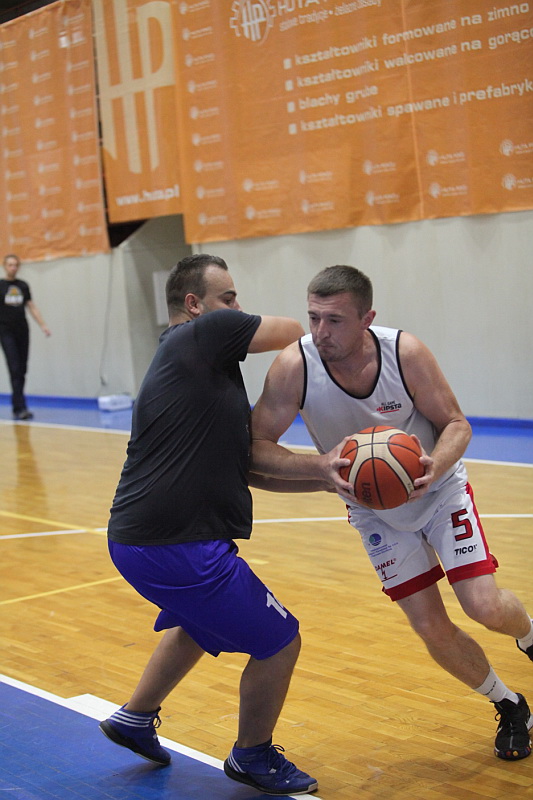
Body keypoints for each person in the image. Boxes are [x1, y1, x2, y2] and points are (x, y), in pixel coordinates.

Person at [250, 264, 533, 762]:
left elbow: (457, 424)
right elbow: (255, 448)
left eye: (334, 320)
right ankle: (510, 705)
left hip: (439, 493)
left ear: (367, 318)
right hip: (374, 513)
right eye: (313, 317)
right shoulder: (294, 366)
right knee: (430, 628)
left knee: (484, 607)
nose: (320, 331)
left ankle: (529, 637)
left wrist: (434, 464)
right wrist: (320, 467)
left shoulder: (405, 353)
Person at [99, 254, 344, 796]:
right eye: (228, 298)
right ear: (194, 304)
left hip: (148, 540)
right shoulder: (202, 335)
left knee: (195, 625)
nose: (237, 307)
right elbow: (292, 330)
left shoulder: (198, 369)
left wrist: (324, 478)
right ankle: (251, 754)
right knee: (280, 640)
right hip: (174, 544)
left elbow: (247, 470)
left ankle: (135, 717)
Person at [0, 254, 51, 420]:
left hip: (22, 330)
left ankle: (19, 404)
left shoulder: (22, 285)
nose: (13, 268)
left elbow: (31, 306)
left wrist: (43, 325)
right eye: (10, 265)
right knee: (14, 368)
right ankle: (19, 407)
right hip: (5, 331)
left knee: (22, 369)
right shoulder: (1, 285)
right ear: (4, 266)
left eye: (15, 265)